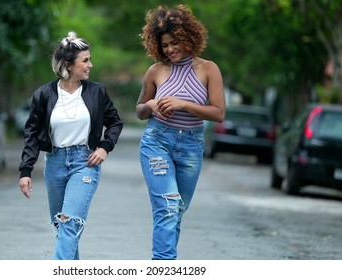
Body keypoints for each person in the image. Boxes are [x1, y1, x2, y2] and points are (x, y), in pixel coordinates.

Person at [19, 31, 123, 260]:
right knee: (63, 227)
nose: (90, 65)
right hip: (55, 163)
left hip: (84, 162)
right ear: (68, 64)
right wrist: (25, 170)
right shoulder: (44, 94)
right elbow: (32, 133)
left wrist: (105, 146)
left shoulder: (97, 92)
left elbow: (114, 122)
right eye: (85, 60)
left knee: (69, 222)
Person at [136, 4, 226, 260]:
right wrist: (150, 106)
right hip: (157, 141)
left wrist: (183, 104)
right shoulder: (155, 71)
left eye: (174, 42)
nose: (170, 49)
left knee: (176, 209)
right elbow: (139, 110)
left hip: (191, 145)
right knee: (167, 206)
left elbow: (219, 113)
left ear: (188, 37)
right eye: (165, 45)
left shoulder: (209, 69)